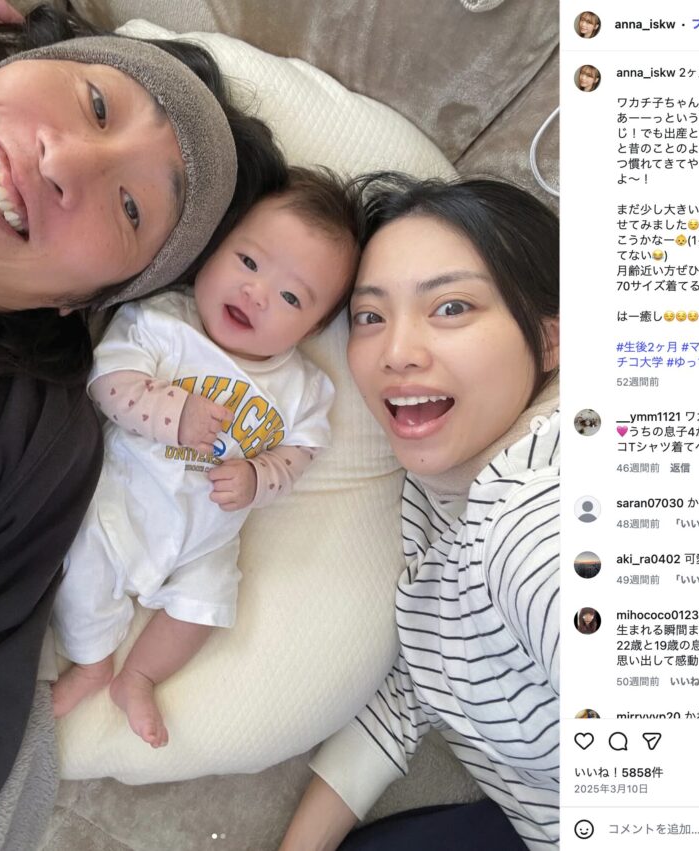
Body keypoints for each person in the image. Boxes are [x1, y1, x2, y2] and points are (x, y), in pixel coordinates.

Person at [0, 3, 285, 848]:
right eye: (96, 103)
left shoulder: (35, 445)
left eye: (132, 209)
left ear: (83, 301)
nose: (64, 160)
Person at [280, 174, 559, 850]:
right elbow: (424, 679)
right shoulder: (440, 494)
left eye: (452, 307)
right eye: (370, 317)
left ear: (551, 341)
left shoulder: (538, 517)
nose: (396, 353)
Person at [50, 168, 359, 748]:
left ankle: (138, 677)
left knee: (209, 602)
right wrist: (173, 413)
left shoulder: (303, 390)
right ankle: (92, 663)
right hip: (119, 505)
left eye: (291, 298)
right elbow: (107, 382)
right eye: (249, 261)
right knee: (80, 564)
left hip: (207, 539)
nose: (257, 294)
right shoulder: (162, 321)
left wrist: (259, 477)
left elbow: (301, 453)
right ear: (216, 246)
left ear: (313, 328)